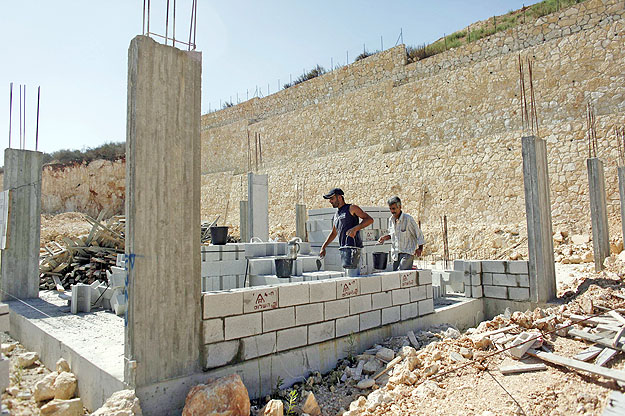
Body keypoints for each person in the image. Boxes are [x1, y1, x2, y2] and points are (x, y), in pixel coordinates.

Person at [319, 188, 373, 276]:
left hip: (354, 251)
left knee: (354, 279)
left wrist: (355, 229)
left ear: (339, 197)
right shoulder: (336, 215)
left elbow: (369, 220)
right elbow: (334, 233)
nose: (330, 201)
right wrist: (323, 246)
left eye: (332, 199)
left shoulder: (351, 208)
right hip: (344, 252)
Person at [378, 196, 425, 271]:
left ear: (399, 207)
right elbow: (393, 234)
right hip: (396, 254)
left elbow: (418, 234)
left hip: (407, 253)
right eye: (390, 209)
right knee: (396, 275)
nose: (392, 211)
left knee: (401, 274)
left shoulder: (408, 219)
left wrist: (420, 248)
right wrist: (384, 238)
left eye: (393, 208)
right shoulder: (391, 220)